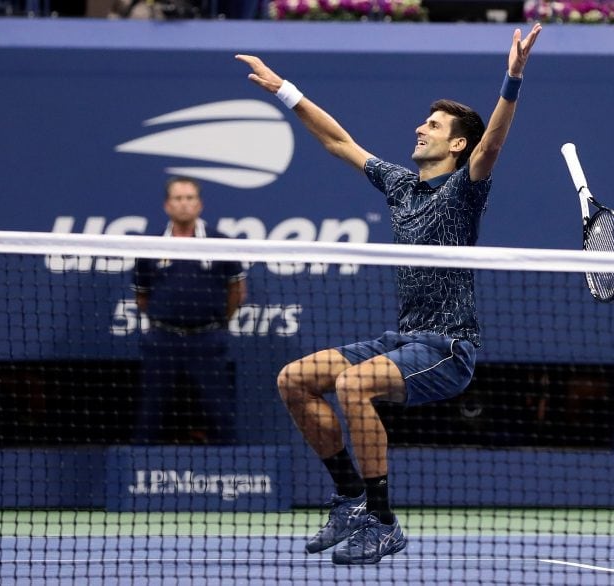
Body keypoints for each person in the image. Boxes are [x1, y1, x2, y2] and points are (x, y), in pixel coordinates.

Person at [236, 23, 542, 565]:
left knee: (353, 385)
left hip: (449, 348)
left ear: (457, 144)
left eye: (434, 125)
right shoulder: (401, 185)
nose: (421, 128)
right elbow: (338, 141)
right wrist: (285, 89)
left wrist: (512, 76)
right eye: (425, 120)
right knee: (295, 381)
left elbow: (493, 140)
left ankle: (382, 521)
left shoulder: (465, 188)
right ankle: (350, 496)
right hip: (402, 339)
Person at [132, 176, 247, 445]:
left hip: (207, 339)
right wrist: (166, 320)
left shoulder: (220, 242)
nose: (184, 204)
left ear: (200, 204)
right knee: (150, 410)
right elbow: (141, 295)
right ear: (167, 206)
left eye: (189, 198)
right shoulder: (151, 246)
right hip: (162, 340)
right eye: (178, 198)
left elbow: (236, 291)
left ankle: (231, 470)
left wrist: (216, 323)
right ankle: (138, 470)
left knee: (219, 409)